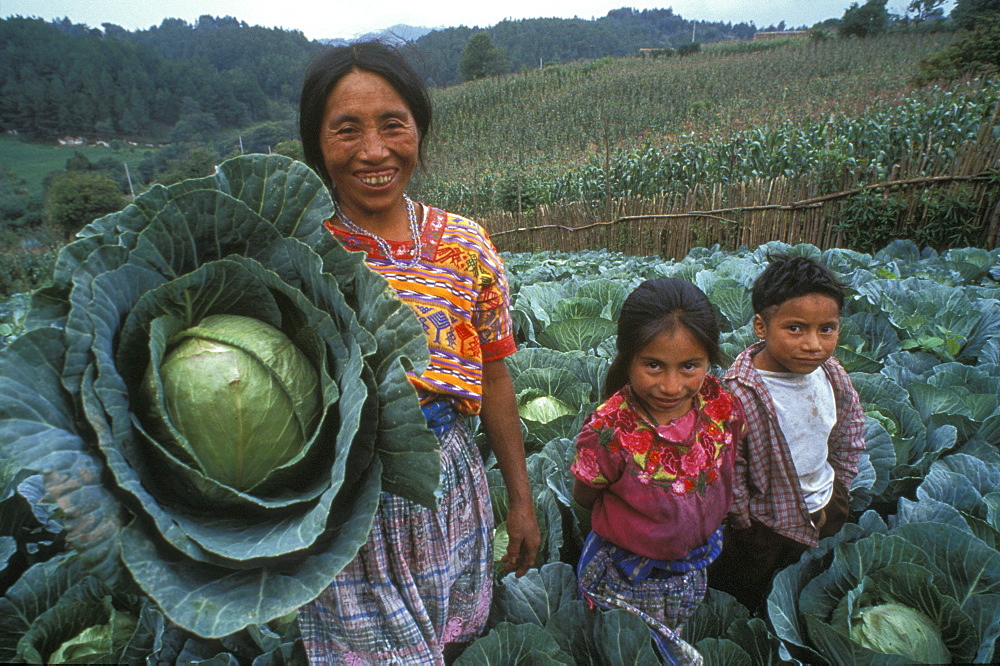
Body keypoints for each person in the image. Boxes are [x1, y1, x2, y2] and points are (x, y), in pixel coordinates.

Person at [295, 42, 540, 664]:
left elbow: (494, 373)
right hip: (343, 503)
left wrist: (520, 499)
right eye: (346, 129)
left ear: (419, 131)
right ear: (317, 143)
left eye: (392, 124)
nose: (374, 151)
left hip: (448, 488)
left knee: (449, 639)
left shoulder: (464, 244)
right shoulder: (295, 250)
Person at [571, 278, 745, 665]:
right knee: (634, 651)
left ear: (708, 361)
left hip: (694, 565)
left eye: (689, 366)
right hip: (629, 574)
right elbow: (583, 495)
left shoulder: (720, 406)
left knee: (675, 630)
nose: (671, 385)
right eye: (653, 365)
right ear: (627, 357)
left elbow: (730, 463)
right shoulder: (609, 429)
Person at [709, 254, 865, 613]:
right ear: (761, 327)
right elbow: (730, 472)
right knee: (750, 595)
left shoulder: (832, 374)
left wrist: (838, 487)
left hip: (826, 506)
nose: (813, 344)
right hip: (763, 527)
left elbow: (848, 431)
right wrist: (745, 527)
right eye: (795, 328)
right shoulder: (738, 393)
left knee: (810, 591)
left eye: (826, 329)